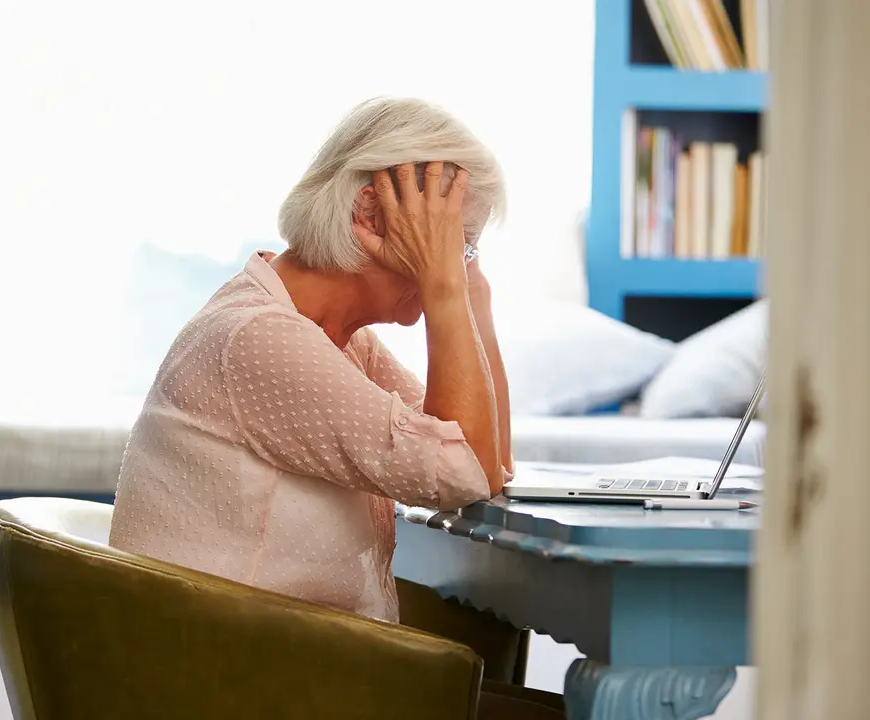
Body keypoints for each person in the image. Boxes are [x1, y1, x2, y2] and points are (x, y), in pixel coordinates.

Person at [109, 97, 563, 718]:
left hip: (294, 674)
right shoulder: (258, 338)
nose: (456, 265)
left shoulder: (337, 342)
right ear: (369, 214)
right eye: (456, 241)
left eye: (466, 249)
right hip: (235, 690)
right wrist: (446, 289)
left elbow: (488, 458)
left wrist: (470, 291)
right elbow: (464, 472)